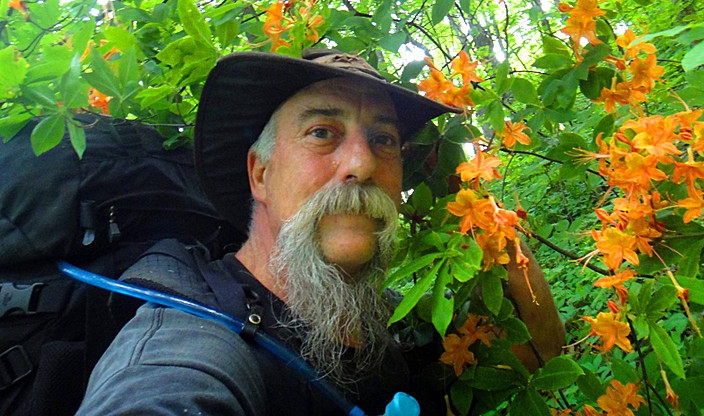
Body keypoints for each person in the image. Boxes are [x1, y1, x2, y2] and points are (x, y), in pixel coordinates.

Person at [76, 49, 565, 415]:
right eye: (322, 132)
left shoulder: (394, 316)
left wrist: (494, 226)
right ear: (260, 174)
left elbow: (535, 352)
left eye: (383, 139)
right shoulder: (186, 345)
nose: (362, 163)